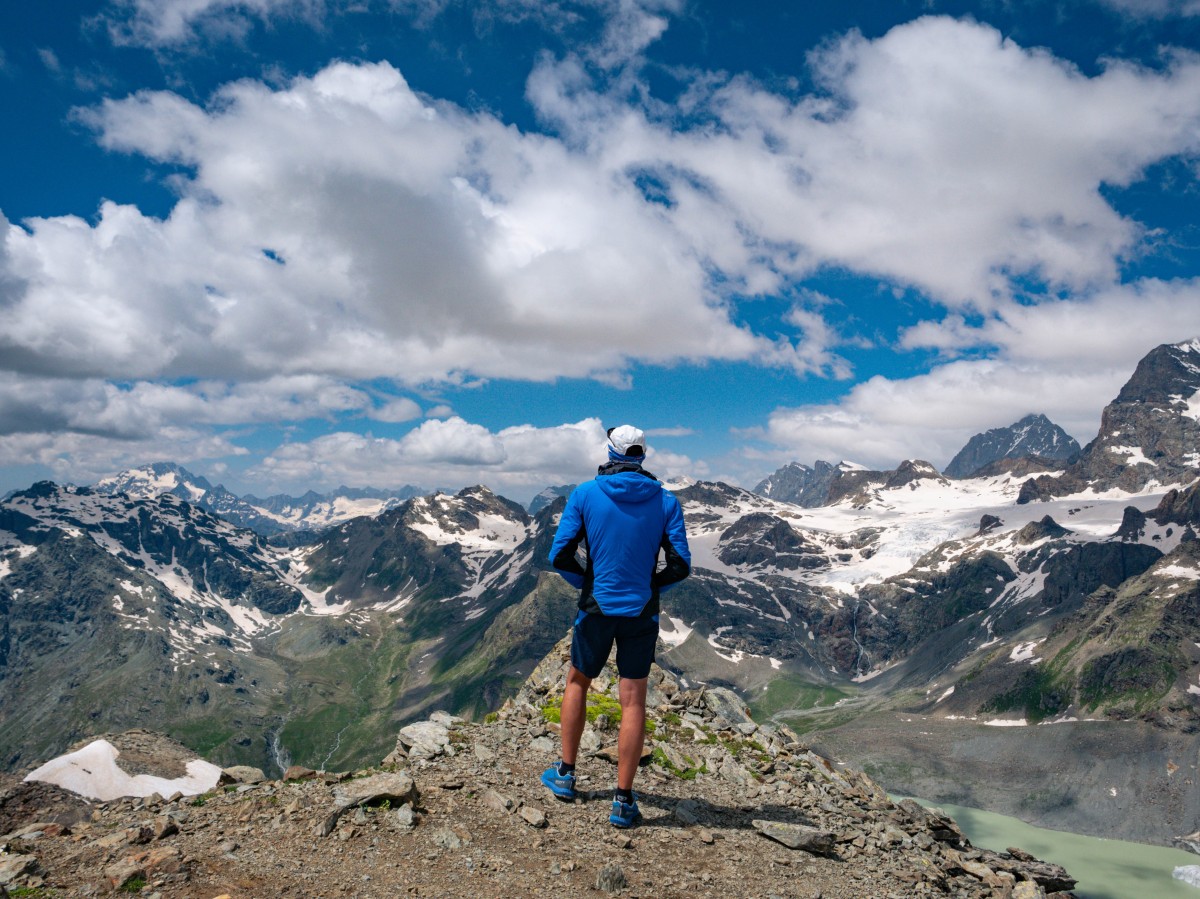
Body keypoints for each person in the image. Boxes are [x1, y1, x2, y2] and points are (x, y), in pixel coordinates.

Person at [540, 424, 691, 828]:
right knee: (634, 700)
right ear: (643, 455)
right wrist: (648, 587)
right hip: (641, 610)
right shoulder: (665, 500)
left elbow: (561, 556)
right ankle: (623, 801)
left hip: (596, 607)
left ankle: (566, 776)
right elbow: (680, 565)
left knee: (577, 682)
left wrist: (588, 583)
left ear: (610, 451)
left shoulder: (585, 494)